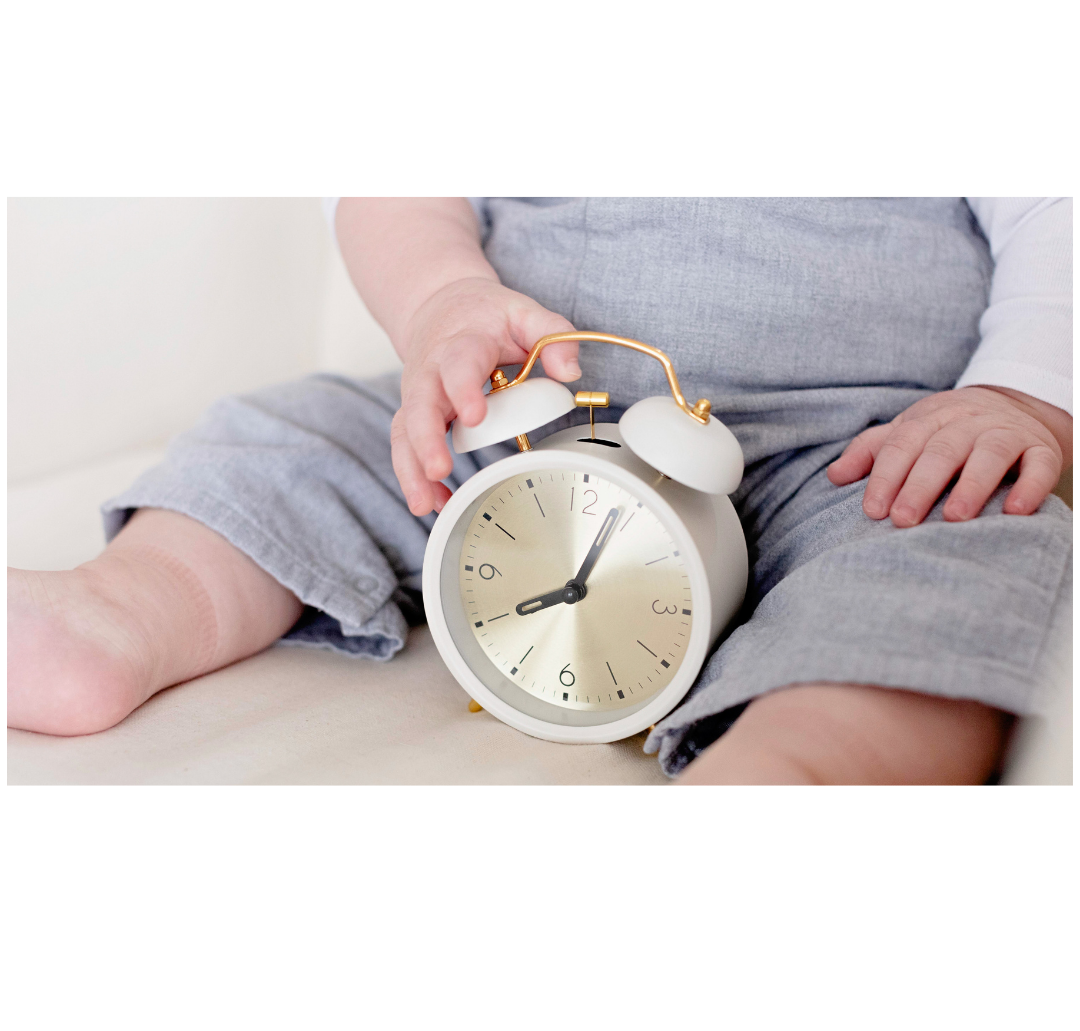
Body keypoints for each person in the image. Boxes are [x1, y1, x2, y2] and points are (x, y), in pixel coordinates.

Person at [7, 197, 1072, 784]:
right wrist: (442, 303)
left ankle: (810, 760)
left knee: (959, 536)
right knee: (295, 438)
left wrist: (1023, 396)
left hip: (848, 457)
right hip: (517, 424)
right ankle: (126, 608)